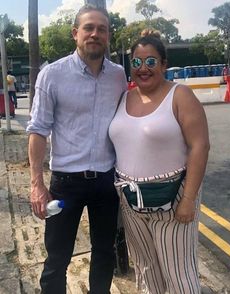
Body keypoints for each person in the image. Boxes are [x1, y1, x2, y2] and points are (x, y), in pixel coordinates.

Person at [26, 4, 127, 294]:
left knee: (104, 253)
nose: (95, 34)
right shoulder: (53, 75)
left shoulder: (118, 76)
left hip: (107, 183)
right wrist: (37, 184)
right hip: (65, 186)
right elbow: (37, 130)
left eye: (102, 29)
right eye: (89, 28)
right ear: (75, 33)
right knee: (57, 258)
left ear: (108, 35)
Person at [109, 29, 210, 294]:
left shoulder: (180, 96)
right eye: (137, 62)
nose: (143, 68)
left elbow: (200, 146)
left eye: (151, 61)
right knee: (146, 269)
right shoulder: (124, 97)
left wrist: (188, 200)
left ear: (164, 64)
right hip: (131, 201)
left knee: (179, 275)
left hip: (174, 199)